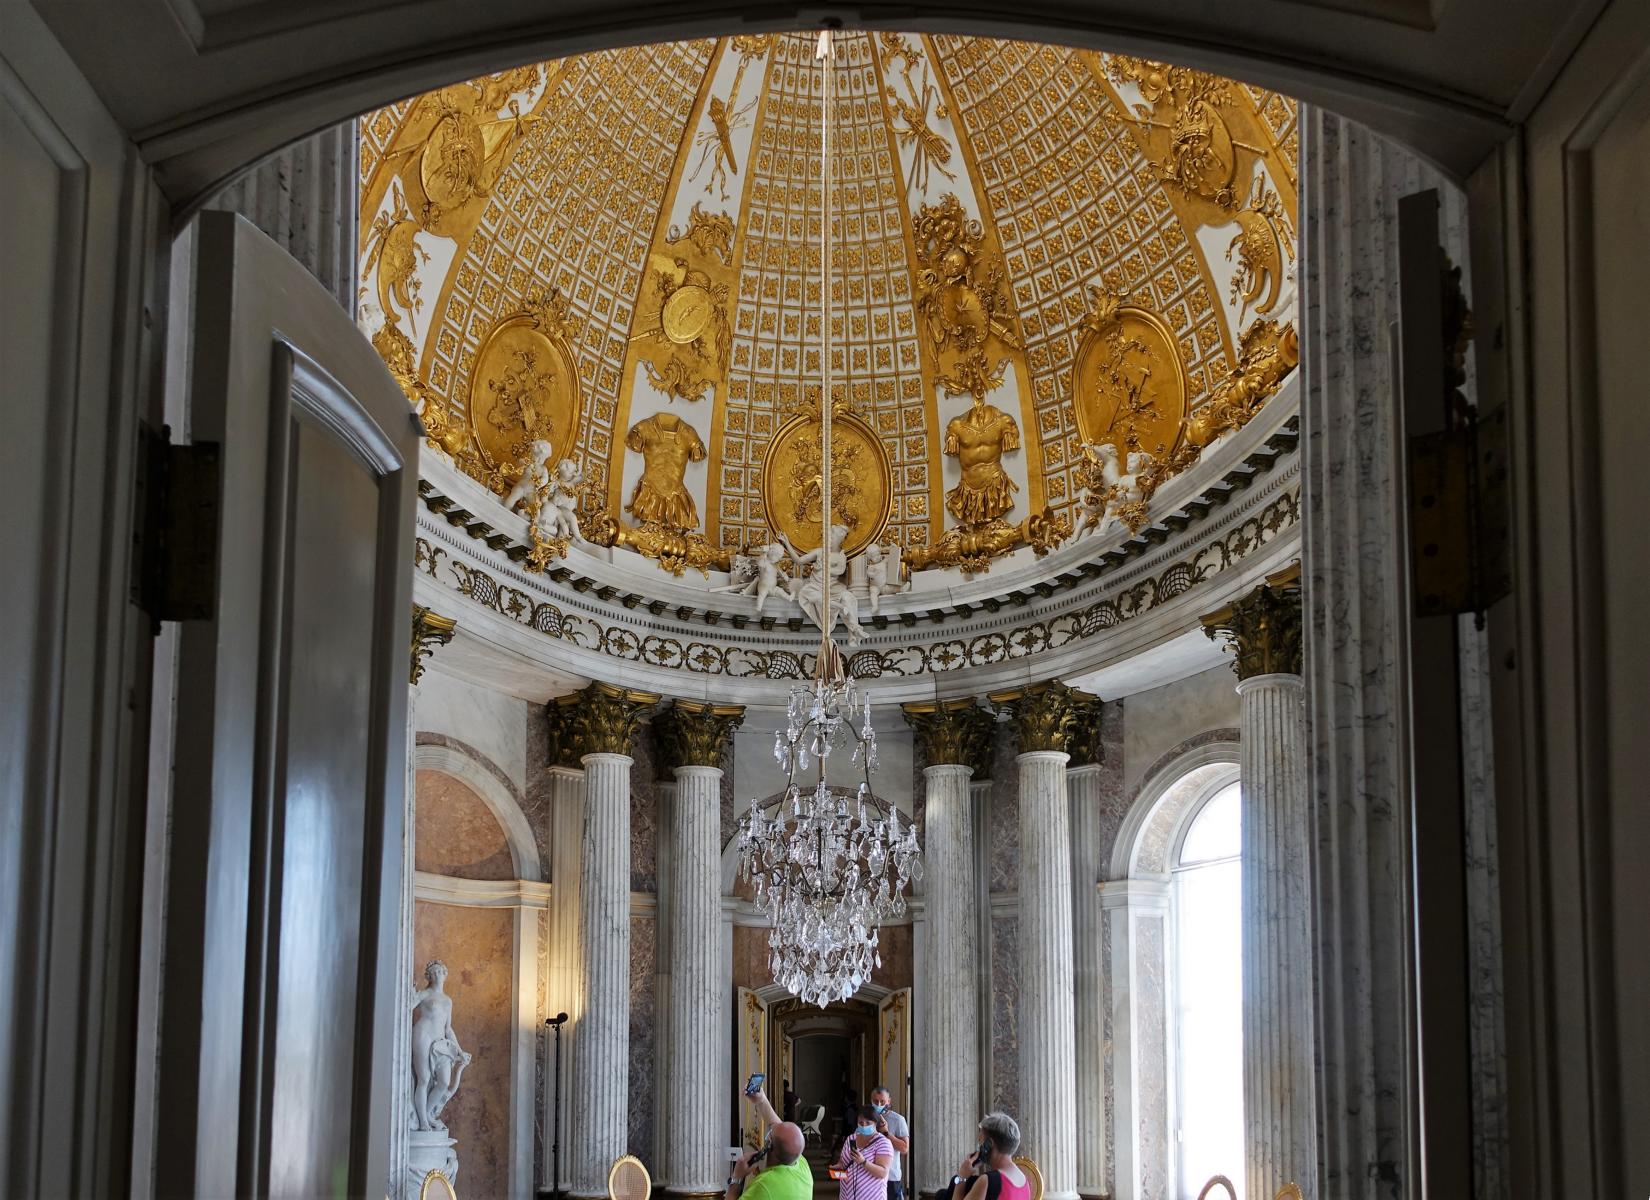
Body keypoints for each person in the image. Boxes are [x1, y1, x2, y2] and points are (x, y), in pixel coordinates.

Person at [726, 1088, 812, 1200]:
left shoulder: (764, 1186)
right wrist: (761, 1100)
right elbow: (781, 1132)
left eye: (769, 1135)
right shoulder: (802, 1166)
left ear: (768, 1147)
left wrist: (736, 1178)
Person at [939, 1113, 1028, 1200]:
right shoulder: (1025, 1182)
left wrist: (962, 1177)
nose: (979, 1147)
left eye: (980, 1140)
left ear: (989, 1144)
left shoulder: (987, 1181)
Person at [834, 1103, 894, 1200]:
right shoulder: (851, 1138)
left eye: (868, 1123)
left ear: (875, 1123)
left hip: (872, 1196)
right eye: (861, 1123)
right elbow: (843, 1160)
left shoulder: (883, 1143)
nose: (864, 1126)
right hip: (846, 1195)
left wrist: (863, 1162)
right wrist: (839, 1165)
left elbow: (883, 1172)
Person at [868, 1086, 910, 1200]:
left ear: (889, 1101)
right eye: (875, 1101)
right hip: (869, 1175)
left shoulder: (898, 1120)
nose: (879, 1104)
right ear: (871, 1101)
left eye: (882, 1101)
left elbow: (905, 1148)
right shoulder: (866, 1119)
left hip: (891, 1177)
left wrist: (886, 1133)